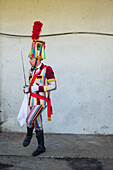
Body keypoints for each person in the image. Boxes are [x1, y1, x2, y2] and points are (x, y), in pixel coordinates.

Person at [23, 21, 57, 156]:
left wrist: (40, 87)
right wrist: (28, 89)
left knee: (29, 120)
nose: (29, 60)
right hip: (32, 101)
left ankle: (28, 136)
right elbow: (32, 86)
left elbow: (54, 85)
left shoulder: (47, 69)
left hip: (41, 102)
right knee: (38, 124)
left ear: (38, 59)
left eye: (31, 58)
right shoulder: (32, 70)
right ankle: (41, 146)